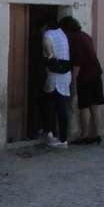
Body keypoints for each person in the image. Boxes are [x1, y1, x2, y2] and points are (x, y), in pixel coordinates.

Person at [59, 15, 104, 144]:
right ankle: (96, 134)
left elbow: (77, 63)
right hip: (96, 73)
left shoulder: (75, 40)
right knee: (95, 106)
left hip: (85, 77)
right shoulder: (85, 36)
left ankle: (84, 136)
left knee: (84, 106)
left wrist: (73, 81)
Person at [41, 18, 72, 148]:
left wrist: (49, 57)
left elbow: (47, 46)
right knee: (57, 106)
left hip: (55, 76)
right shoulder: (62, 33)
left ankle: (61, 139)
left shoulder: (47, 34)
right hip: (65, 76)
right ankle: (53, 134)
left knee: (57, 108)